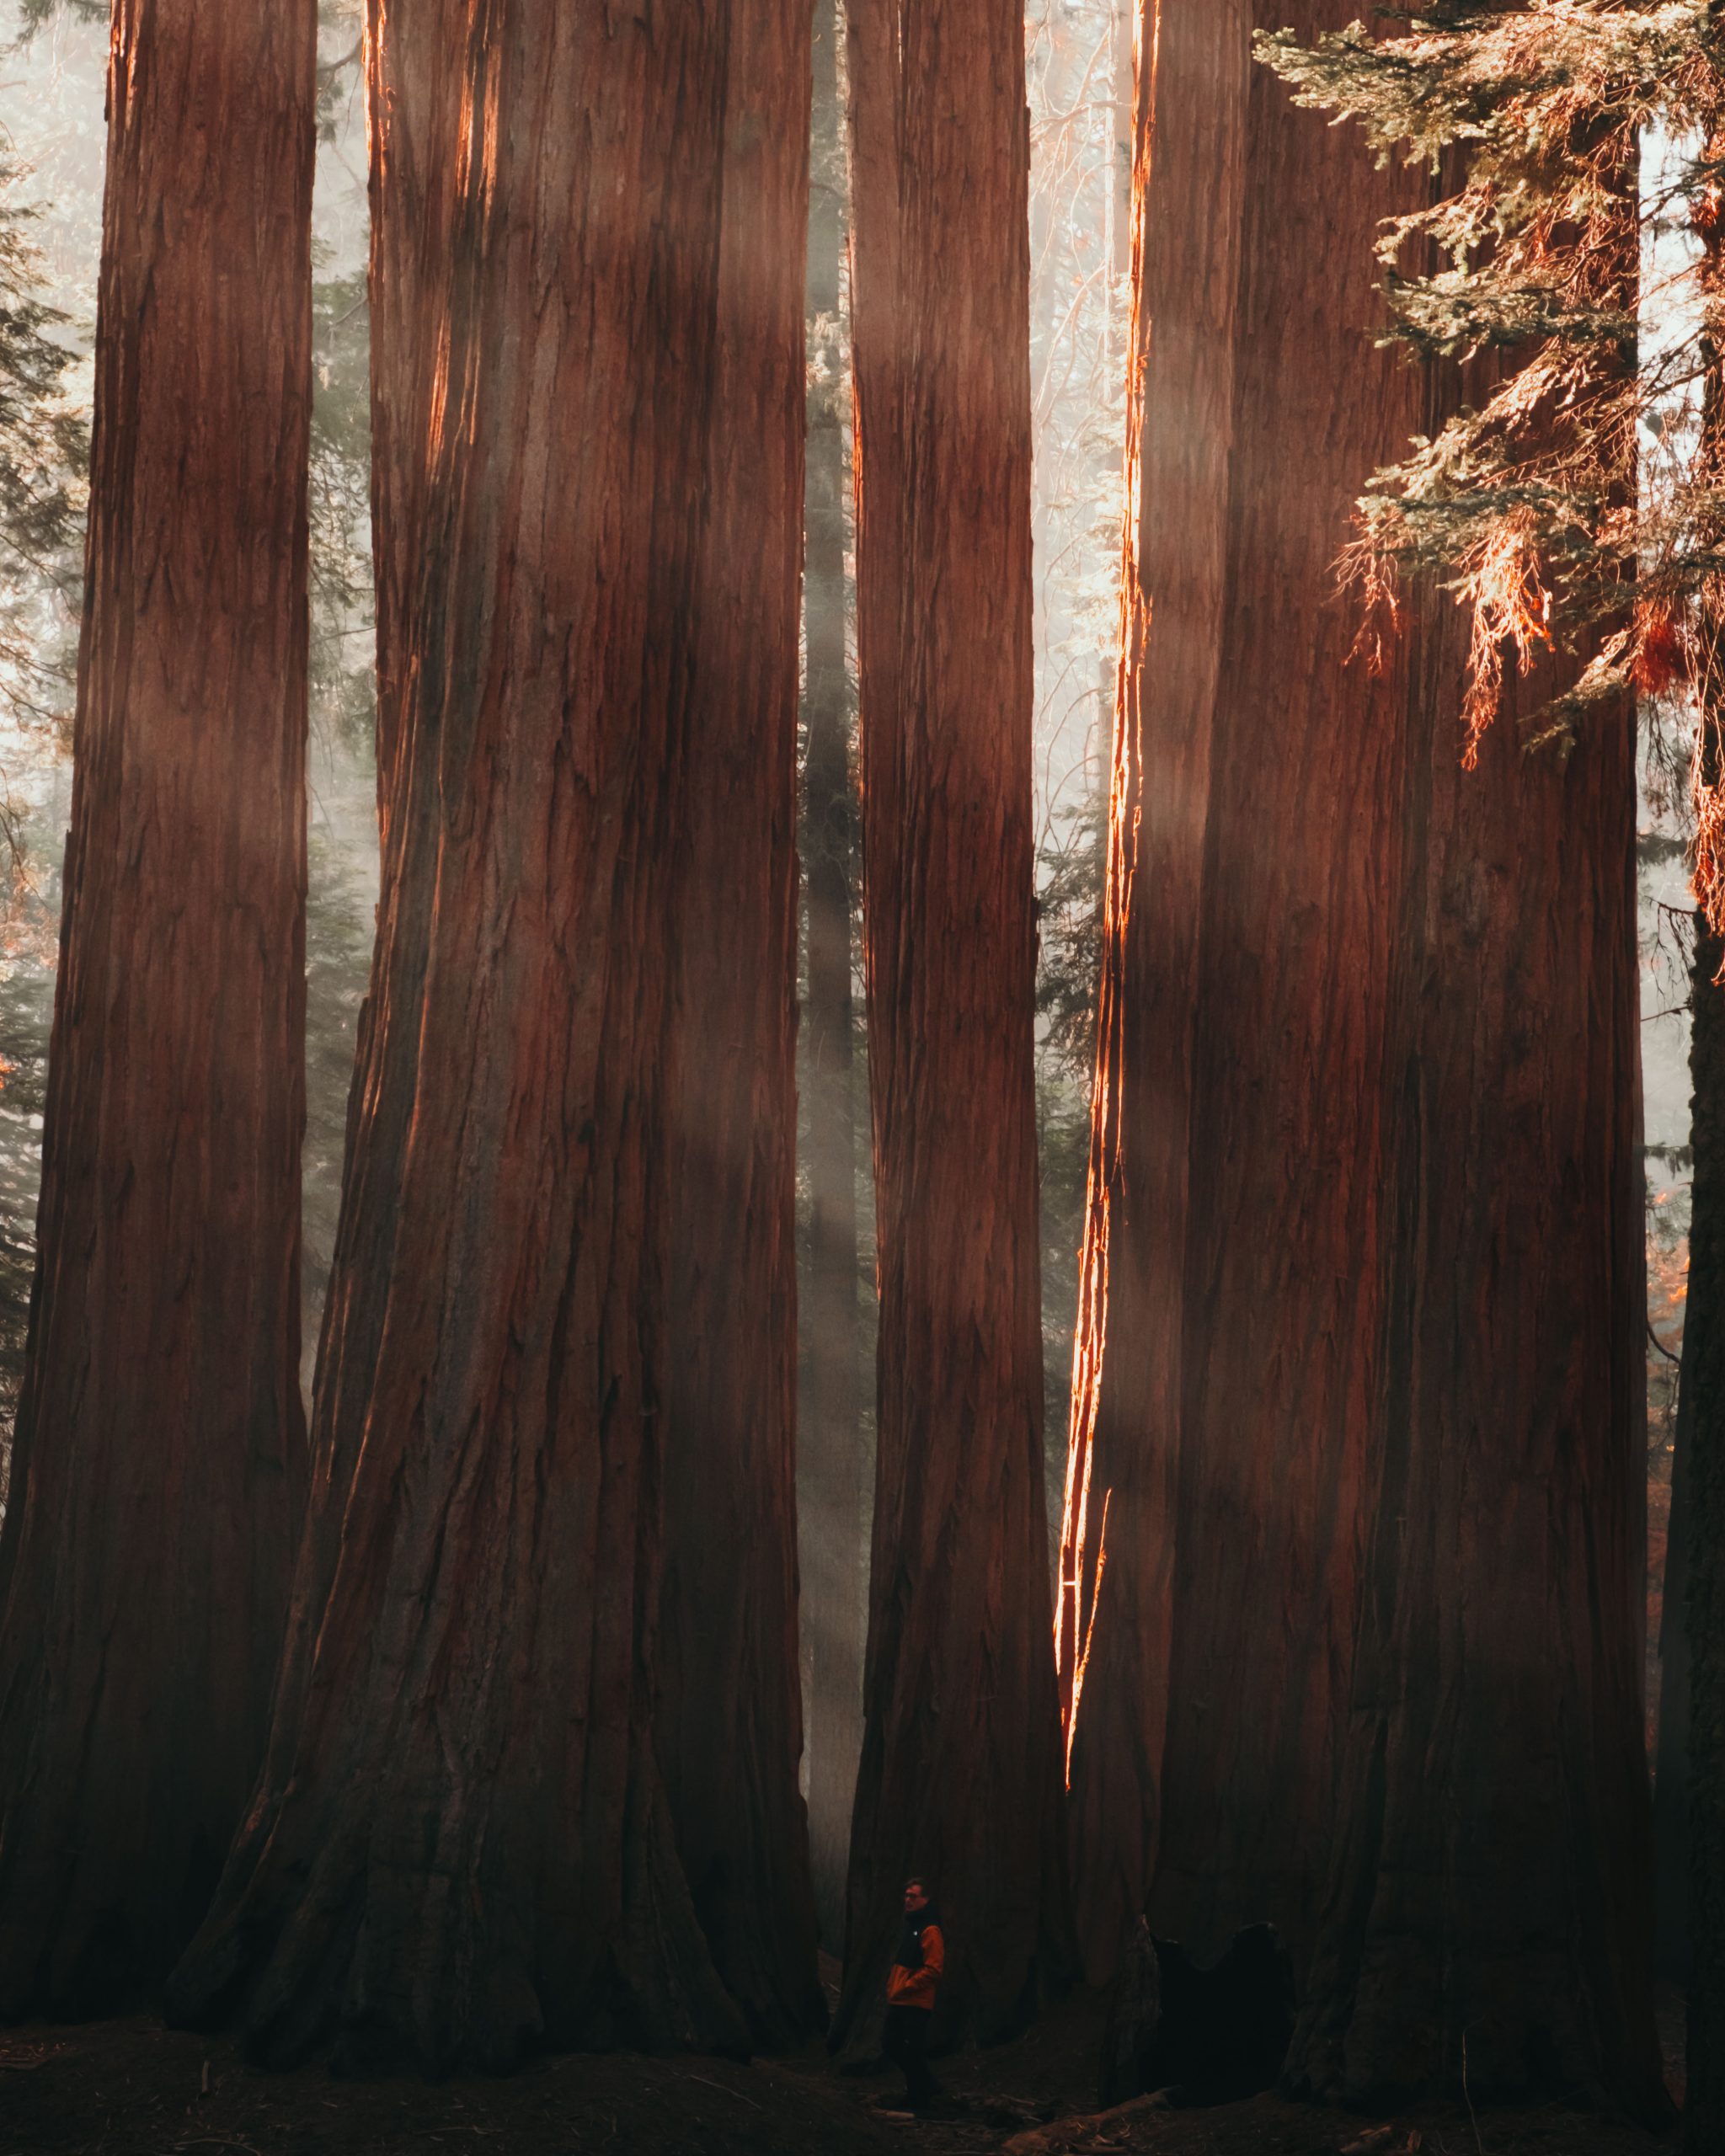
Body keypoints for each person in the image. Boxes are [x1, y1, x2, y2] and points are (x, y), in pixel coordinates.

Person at [883, 1876, 944, 2113]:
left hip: (916, 2003)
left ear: (926, 1899)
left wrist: (907, 1986)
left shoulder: (930, 1930)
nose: (907, 1900)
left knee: (913, 2051)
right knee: (891, 2044)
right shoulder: (912, 1926)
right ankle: (925, 2087)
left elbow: (934, 1969)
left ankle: (920, 2100)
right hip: (900, 2000)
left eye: (913, 1896)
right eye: (906, 1895)